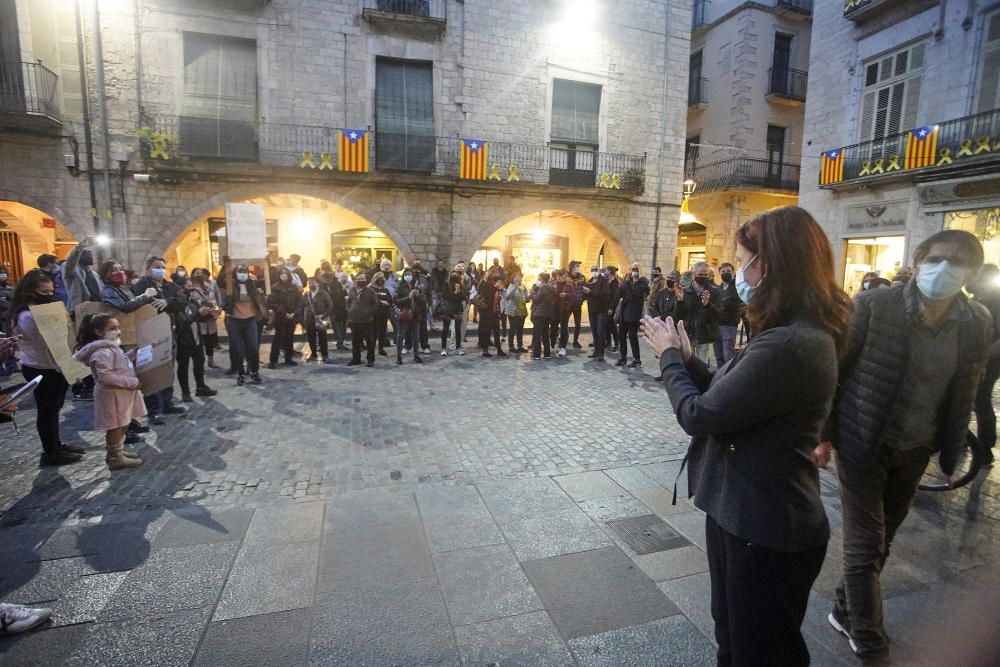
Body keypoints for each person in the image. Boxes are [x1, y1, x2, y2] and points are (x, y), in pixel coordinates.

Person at [643, 206, 852, 666]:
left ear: (769, 264)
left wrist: (669, 360)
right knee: (734, 638)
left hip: (765, 523)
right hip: (742, 514)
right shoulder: (785, 332)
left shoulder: (791, 342)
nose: (738, 273)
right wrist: (686, 357)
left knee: (760, 651)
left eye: (742, 262)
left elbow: (700, 414)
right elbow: (731, 394)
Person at [814, 229, 992, 663]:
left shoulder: (976, 322)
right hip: (863, 441)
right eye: (936, 259)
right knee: (865, 543)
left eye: (956, 262)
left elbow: (965, 390)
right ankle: (870, 641)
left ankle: (844, 607)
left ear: (970, 272)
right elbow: (837, 370)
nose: (944, 269)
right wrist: (822, 434)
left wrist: (951, 452)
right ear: (916, 263)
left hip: (916, 448)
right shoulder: (877, 305)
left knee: (885, 539)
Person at [11, 269, 85, 466]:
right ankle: (51, 451)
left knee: (54, 408)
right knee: (47, 410)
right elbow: (46, 347)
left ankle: (57, 444)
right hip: (42, 368)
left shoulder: (42, 312)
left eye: (51, 291)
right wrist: (64, 368)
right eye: (44, 292)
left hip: (53, 366)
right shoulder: (27, 316)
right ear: (30, 292)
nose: (49, 295)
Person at [73, 313, 146, 470]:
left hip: (121, 393)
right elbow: (106, 376)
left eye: (118, 327)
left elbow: (120, 362)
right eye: (112, 328)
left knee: (123, 422)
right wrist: (131, 382)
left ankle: (117, 452)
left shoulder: (111, 348)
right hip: (112, 394)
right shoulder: (101, 352)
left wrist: (134, 353)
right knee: (115, 426)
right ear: (99, 332)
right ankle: (115, 457)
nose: (117, 331)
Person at [132, 257, 188, 422]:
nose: (161, 270)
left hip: (169, 333)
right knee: (151, 371)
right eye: (157, 267)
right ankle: (153, 409)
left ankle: (167, 402)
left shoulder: (170, 286)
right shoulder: (140, 287)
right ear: (148, 269)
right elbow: (140, 303)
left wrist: (167, 301)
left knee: (167, 367)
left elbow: (182, 300)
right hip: (149, 334)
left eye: (163, 267)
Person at [972, 264, 1000, 465]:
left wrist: (985, 360)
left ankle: (984, 448)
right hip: (979, 358)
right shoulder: (980, 297)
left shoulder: (995, 298)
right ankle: (966, 441)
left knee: (980, 400)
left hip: (989, 360)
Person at [222, 264, 267, 386]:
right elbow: (221, 281)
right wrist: (227, 264)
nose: (242, 274)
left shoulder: (252, 286)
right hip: (234, 321)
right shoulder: (231, 286)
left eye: (244, 272)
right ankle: (240, 374)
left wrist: (265, 263)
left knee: (253, 347)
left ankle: (254, 372)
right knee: (237, 349)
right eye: (240, 272)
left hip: (250, 320)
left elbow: (266, 282)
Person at [176, 279, 217, 402]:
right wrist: (198, 314)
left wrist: (210, 313)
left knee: (199, 363)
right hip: (183, 341)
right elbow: (184, 322)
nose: (191, 291)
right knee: (183, 366)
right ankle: (185, 392)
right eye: (188, 288)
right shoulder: (177, 305)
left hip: (196, 338)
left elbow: (200, 319)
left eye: (192, 288)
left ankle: (201, 387)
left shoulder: (193, 302)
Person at [675, 262, 722, 369]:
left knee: (702, 364)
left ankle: (700, 383)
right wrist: (680, 301)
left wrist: (707, 305)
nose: (703, 277)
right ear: (693, 274)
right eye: (700, 274)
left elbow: (718, 314)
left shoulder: (714, 291)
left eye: (706, 275)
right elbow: (678, 315)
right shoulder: (685, 291)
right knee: (687, 362)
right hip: (688, 332)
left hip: (704, 333)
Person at [267, 266, 301, 369]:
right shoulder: (275, 287)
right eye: (282, 274)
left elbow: (299, 302)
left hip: (292, 316)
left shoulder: (294, 287)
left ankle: (288, 358)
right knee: (278, 338)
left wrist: (294, 313)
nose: (284, 276)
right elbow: (273, 302)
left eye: (285, 274)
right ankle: (273, 360)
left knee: (289, 338)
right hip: (280, 316)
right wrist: (284, 313)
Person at [616, 262, 648, 368]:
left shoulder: (642, 283)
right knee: (621, 335)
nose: (633, 271)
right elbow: (621, 293)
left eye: (635, 269)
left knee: (632, 336)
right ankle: (623, 357)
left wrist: (627, 283)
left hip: (634, 313)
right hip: (625, 312)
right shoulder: (628, 282)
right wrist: (624, 282)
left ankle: (636, 359)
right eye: (632, 269)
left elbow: (635, 293)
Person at [190, 268, 223, 368]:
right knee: (199, 340)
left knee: (210, 340)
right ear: (193, 275)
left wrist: (215, 307)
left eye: (201, 273)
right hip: (198, 316)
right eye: (197, 273)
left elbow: (214, 298)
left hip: (209, 315)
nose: (199, 275)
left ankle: (210, 360)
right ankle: (199, 362)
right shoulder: (190, 287)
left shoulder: (208, 286)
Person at [393, 267, 426, 364]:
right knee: (401, 335)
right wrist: (408, 297)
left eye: (410, 275)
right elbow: (396, 301)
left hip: (415, 314)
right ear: (404, 276)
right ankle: (399, 357)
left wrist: (418, 296)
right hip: (404, 313)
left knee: (416, 336)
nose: (408, 276)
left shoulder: (416, 286)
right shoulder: (400, 287)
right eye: (406, 275)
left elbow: (423, 300)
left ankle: (416, 355)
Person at [713, 262, 743, 367]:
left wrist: (716, 304)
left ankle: (729, 377)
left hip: (729, 325)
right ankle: (719, 377)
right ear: (719, 273)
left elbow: (731, 301)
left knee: (728, 356)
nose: (726, 273)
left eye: (728, 271)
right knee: (718, 355)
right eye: (723, 271)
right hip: (716, 325)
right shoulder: (719, 288)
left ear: (733, 273)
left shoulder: (736, 287)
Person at [347, 273, 378, 367]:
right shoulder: (352, 290)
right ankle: (356, 359)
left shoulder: (370, 291)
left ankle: (370, 360)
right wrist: (349, 311)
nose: (361, 280)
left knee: (369, 341)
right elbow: (349, 302)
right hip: (354, 320)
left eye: (363, 278)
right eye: (359, 278)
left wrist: (368, 312)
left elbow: (376, 304)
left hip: (366, 321)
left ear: (366, 280)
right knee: (355, 342)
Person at [301, 276, 333, 363]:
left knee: (322, 337)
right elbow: (302, 307)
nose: (311, 284)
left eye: (313, 282)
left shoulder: (323, 293)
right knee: (311, 337)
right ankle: (313, 354)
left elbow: (330, 306)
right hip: (309, 320)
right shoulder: (306, 295)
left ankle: (325, 355)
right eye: (309, 283)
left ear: (317, 283)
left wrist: (323, 315)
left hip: (320, 319)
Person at [584, 264, 611, 361]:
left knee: (600, 332)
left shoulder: (603, 281)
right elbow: (586, 296)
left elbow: (605, 294)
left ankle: (601, 353)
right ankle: (596, 351)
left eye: (596, 269)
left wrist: (590, 292)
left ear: (599, 271)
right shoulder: (589, 282)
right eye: (592, 269)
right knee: (594, 331)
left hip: (601, 310)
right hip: (592, 310)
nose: (594, 271)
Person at [476, 268, 505, 357]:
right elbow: (487, 297)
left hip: (495, 311)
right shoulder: (486, 285)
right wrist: (495, 288)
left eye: (497, 274)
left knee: (497, 331)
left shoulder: (497, 284)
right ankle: (485, 350)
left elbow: (503, 296)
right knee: (487, 331)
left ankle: (499, 349)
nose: (496, 276)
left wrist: (501, 289)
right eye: (494, 274)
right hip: (487, 311)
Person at [438, 269, 467, 356]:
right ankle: (443, 348)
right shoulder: (446, 285)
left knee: (457, 329)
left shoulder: (461, 285)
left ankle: (458, 347)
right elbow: (445, 296)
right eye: (453, 275)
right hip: (448, 309)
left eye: (456, 275)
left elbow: (464, 297)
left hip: (457, 309)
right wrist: (455, 293)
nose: (455, 276)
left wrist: (459, 292)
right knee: (445, 329)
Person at [530, 272, 556, 359]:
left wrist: (532, 293)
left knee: (537, 334)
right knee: (545, 334)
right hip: (548, 314)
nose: (538, 281)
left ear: (543, 280)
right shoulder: (551, 288)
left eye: (539, 279)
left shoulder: (543, 288)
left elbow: (536, 300)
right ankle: (547, 353)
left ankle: (537, 354)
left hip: (539, 314)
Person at [550, 270, 576, 357]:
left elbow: (573, 296)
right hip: (554, 308)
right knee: (553, 326)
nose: (560, 278)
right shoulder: (554, 284)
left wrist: (566, 295)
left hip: (564, 309)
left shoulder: (569, 285)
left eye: (561, 276)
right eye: (558, 276)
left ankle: (562, 347)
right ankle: (552, 344)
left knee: (564, 327)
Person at [501, 273, 529, 353]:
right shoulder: (511, 286)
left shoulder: (523, 287)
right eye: (515, 277)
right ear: (513, 279)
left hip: (522, 311)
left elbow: (527, 299)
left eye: (519, 277)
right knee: (513, 329)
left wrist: (528, 295)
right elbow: (507, 297)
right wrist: (515, 288)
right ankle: (511, 346)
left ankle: (520, 345)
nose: (517, 279)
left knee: (520, 330)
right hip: (513, 311)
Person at [370, 272, 393, 357]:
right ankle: (371, 349)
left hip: (384, 315)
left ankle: (381, 348)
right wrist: (381, 302)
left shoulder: (385, 290)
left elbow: (390, 300)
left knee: (382, 332)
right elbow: (372, 300)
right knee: (373, 333)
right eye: (378, 278)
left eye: (382, 279)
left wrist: (387, 303)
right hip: (374, 315)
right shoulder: (371, 289)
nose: (380, 281)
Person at [567, 261, 588, 349]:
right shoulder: (566, 277)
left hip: (578, 303)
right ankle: (564, 338)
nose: (578, 267)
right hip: (568, 304)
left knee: (578, 323)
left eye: (578, 266)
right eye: (577, 266)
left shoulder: (582, 277)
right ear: (572, 267)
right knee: (564, 322)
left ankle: (575, 341)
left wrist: (582, 298)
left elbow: (585, 289)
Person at [606, 266, 621, 352]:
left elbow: (616, 296)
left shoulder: (615, 283)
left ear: (610, 272)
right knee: (607, 326)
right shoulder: (607, 281)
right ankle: (608, 343)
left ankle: (616, 343)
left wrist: (611, 308)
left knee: (612, 326)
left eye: (607, 270)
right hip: (605, 306)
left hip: (611, 307)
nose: (606, 272)